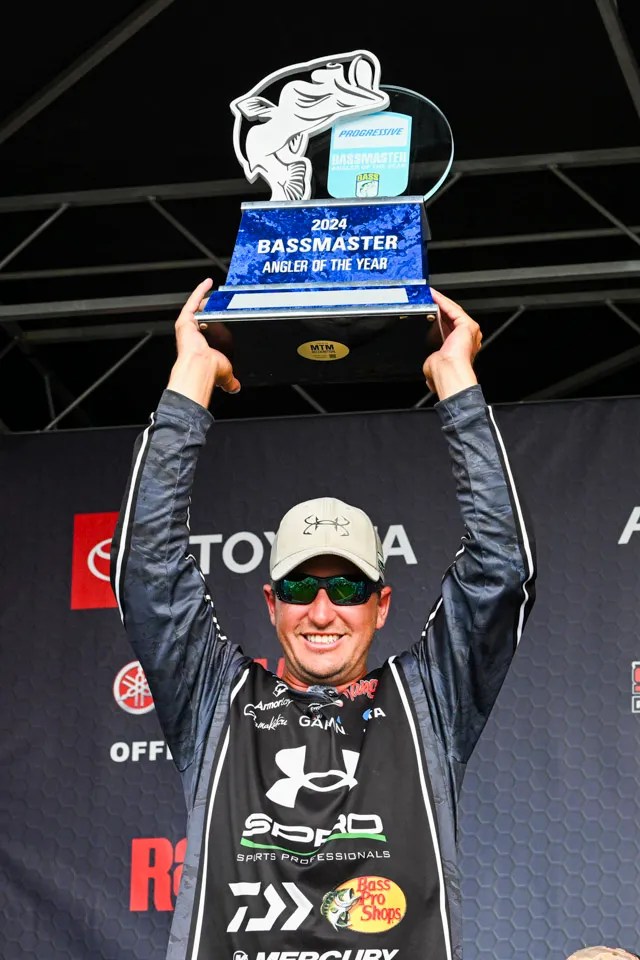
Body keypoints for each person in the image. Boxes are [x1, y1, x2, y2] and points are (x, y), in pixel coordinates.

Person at [110, 279, 537, 960]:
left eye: (346, 586)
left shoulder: (428, 701)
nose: (321, 609)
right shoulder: (216, 701)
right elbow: (148, 573)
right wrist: (191, 375)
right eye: (300, 586)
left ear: (380, 605)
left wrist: (456, 381)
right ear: (271, 602)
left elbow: (500, 572)